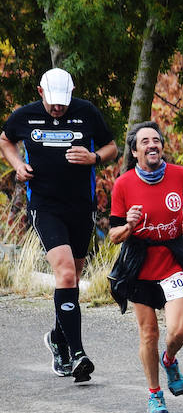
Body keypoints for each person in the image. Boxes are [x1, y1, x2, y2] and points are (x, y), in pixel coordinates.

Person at [1, 67, 117, 382]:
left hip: (81, 206)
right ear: (41, 93)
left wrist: (94, 158)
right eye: (52, 102)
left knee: (72, 280)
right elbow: (6, 140)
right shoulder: (24, 116)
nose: (58, 108)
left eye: (62, 102)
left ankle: (57, 338)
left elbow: (112, 147)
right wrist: (18, 166)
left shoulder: (86, 112)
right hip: (45, 205)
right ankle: (77, 353)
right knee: (65, 272)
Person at [107, 123, 183, 413]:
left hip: (172, 260)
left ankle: (170, 359)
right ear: (135, 150)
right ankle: (155, 394)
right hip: (139, 264)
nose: (152, 145)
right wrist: (128, 224)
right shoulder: (124, 184)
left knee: (178, 330)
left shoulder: (179, 175)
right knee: (148, 333)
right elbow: (114, 234)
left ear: (162, 147)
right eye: (145, 141)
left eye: (156, 140)